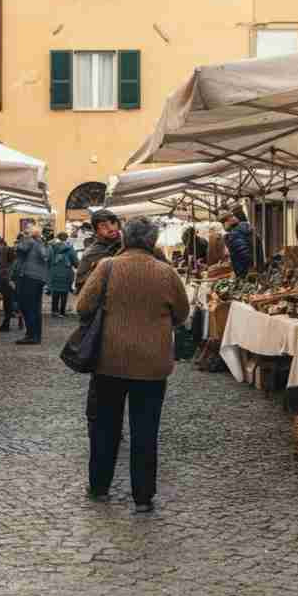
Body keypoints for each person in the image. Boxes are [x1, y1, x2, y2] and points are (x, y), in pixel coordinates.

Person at [79, 217, 190, 513]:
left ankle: (99, 486)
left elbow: (82, 307)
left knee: (105, 427)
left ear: (125, 239)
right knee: (145, 430)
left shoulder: (107, 267)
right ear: (152, 241)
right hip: (152, 365)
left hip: (108, 361)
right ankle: (143, 496)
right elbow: (182, 313)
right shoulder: (166, 273)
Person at [74, 209, 124, 440]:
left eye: (113, 223)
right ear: (96, 230)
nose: (111, 228)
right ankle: (96, 425)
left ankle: (117, 425)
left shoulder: (129, 245)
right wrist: (97, 271)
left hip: (127, 321)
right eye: (104, 225)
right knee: (102, 378)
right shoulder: (92, 253)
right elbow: (80, 285)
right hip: (102, 322)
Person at [12, 226, 50, 345]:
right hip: (39, 278)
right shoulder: (42, 244)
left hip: (28, 277)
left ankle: (30, 335)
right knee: (35, 308)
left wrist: (23, 239)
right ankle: (36, 335)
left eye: (25, 233)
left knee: (27, 306)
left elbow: (19, 249)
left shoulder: (29, 241)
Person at [48, 232, 79, 317]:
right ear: (66, 238)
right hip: (66, 273)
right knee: (64, 292)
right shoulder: (70, 248)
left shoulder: (52, 247)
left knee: (55, 291)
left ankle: (54, 311)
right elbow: (75, 262)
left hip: (55, 272)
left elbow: (48, 260)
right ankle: (62, 312)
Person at [222, 206, 256, 278]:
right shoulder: (244, 229)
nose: (223, 227)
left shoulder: (235, 234)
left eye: (223, 223)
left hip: (245, 272)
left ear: (227, 222)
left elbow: (244, 253)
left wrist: (242, 273)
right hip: (253, 269)